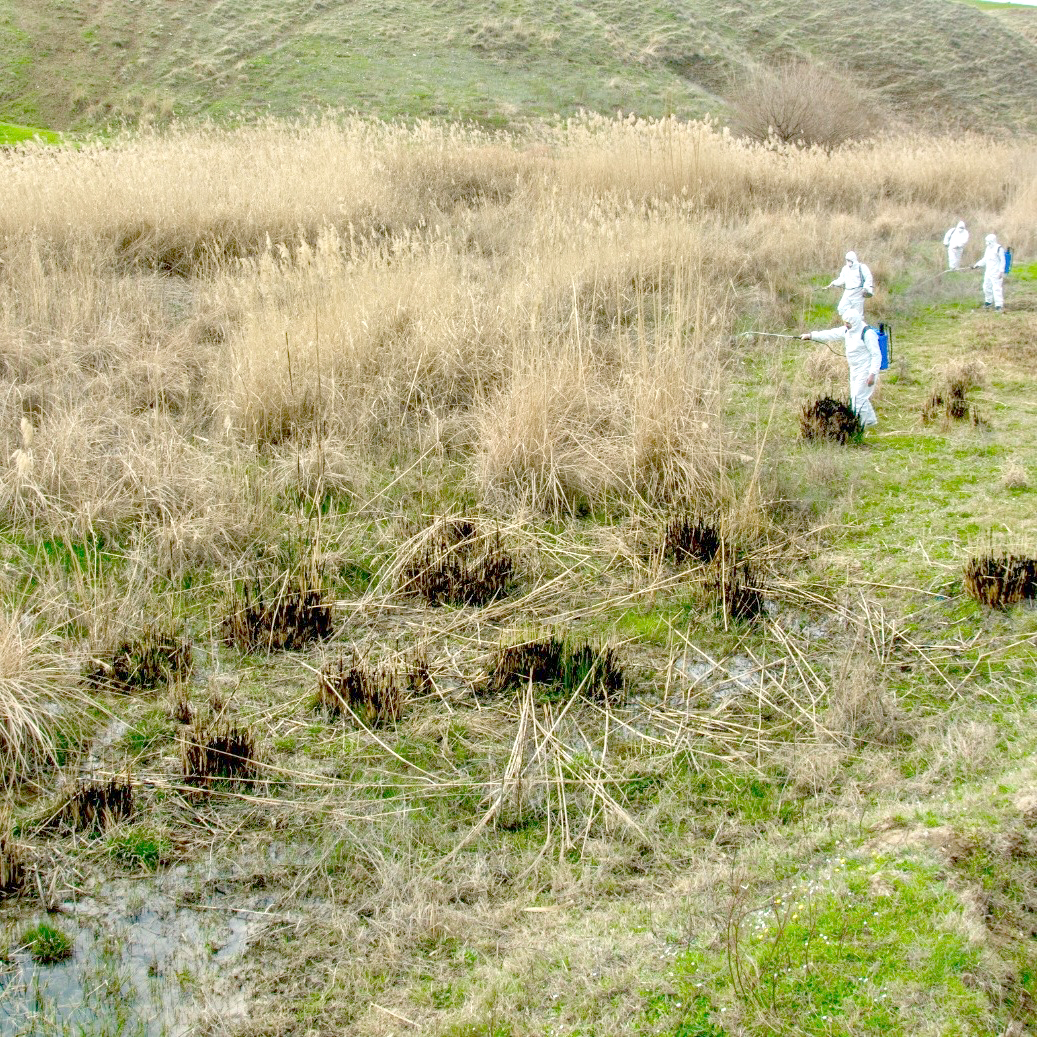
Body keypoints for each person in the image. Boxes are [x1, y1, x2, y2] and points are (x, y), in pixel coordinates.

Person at [800, 305, 882, 429]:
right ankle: (871, 421)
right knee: (857, 396)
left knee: (858, 399)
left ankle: (861, 425)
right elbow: (830, 334)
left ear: (855, 321)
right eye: (845, 322)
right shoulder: (847, 331)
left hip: (866, 370)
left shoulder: (867, 334)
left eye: (848, 323)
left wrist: (872, 374)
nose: (846, 325)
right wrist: (811, 336)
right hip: (854, 369)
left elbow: (876, 355)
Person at [826, 251, 874, 318]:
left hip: (858, 294)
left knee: (858, 314)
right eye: (847, 260)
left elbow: (868, 277)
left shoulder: (862, 267)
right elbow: (842, 279)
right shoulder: (845, 269)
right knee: (841, 308)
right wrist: (834, 283)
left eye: (849, 260)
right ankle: (848, 323)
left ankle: (859, 327)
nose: (848, 262)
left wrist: (865, 288)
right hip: (848, 293)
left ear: (854, 259)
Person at [973, 233, 1006, 312]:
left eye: (989, 241)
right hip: (988, 272)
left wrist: (1001, 271)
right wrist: (977, 265)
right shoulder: (988, 248)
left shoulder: (999, 249)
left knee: (996, 289)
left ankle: (999, 305)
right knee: (986, 287)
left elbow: (1003, 261)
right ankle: (988, 302)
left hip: (996, 273)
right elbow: (985, 259)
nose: (987, 243)